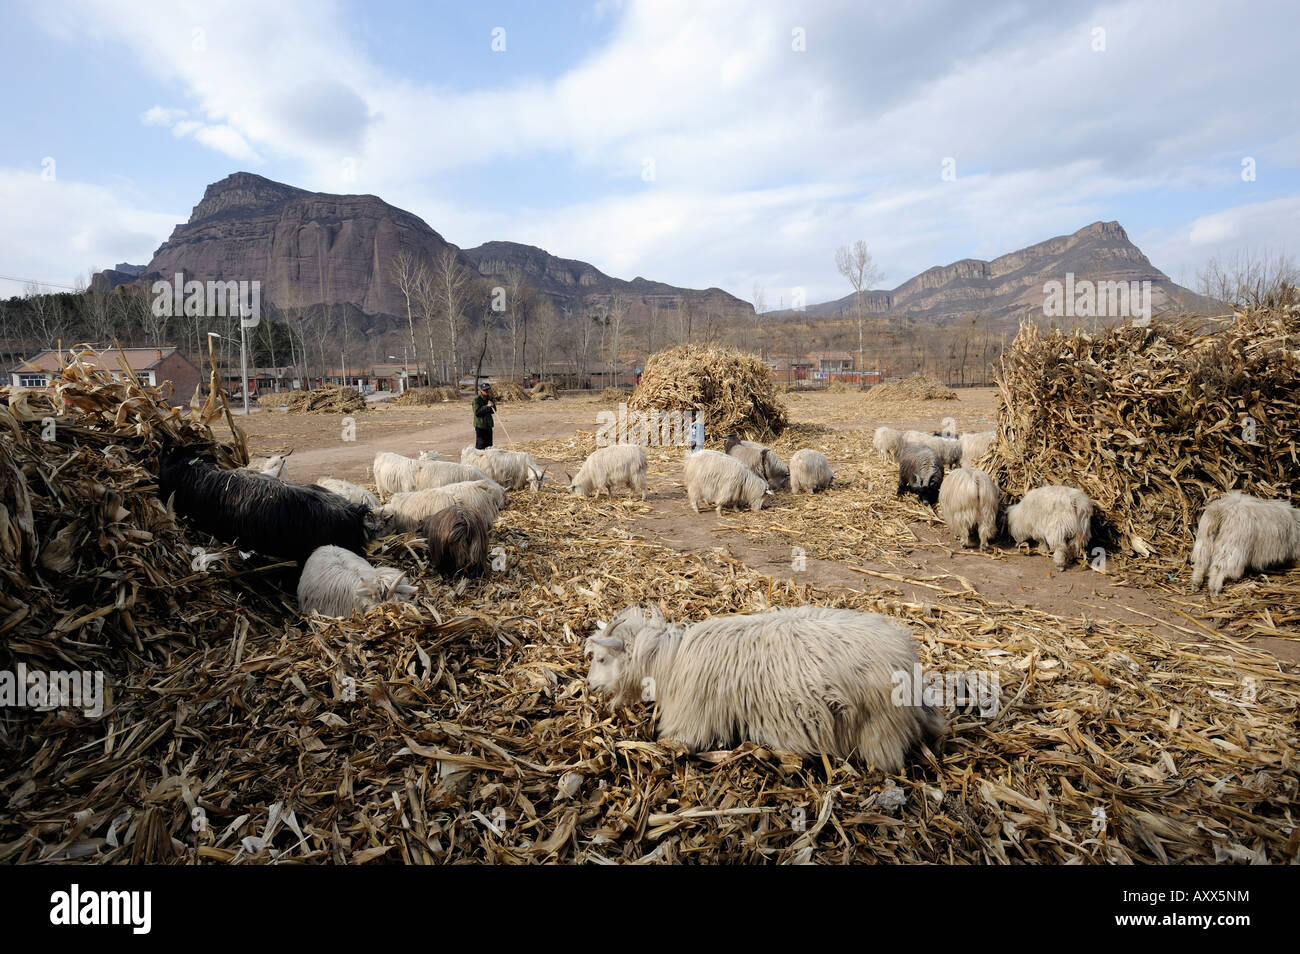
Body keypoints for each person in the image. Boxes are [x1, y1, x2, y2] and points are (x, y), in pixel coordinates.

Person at [472, 381, 497, 449]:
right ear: (481, 390)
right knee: (481, 445)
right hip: (480, 425)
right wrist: (487, 406)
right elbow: (477, 412)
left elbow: (494, 410)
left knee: (489, 445)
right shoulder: (477, 399)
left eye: (487, 389)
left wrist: (492, 406)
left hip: (488, 425)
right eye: (485, 390)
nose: (486, 391)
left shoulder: (490, 398)